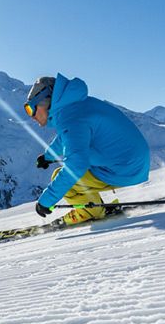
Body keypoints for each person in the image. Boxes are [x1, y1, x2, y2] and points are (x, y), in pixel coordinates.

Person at [24, 73, 150, 225]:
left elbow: (76, 166)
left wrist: (46, 201)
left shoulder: (71, 119)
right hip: (133, 161)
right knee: (80, 158)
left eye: (31, 109)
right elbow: (69, 138)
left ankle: (91, 211)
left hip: (125, 169)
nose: (31, 116)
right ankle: (94, 205)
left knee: (64, 174)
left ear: (44, 102)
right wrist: (48, 156)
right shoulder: (76, 107)